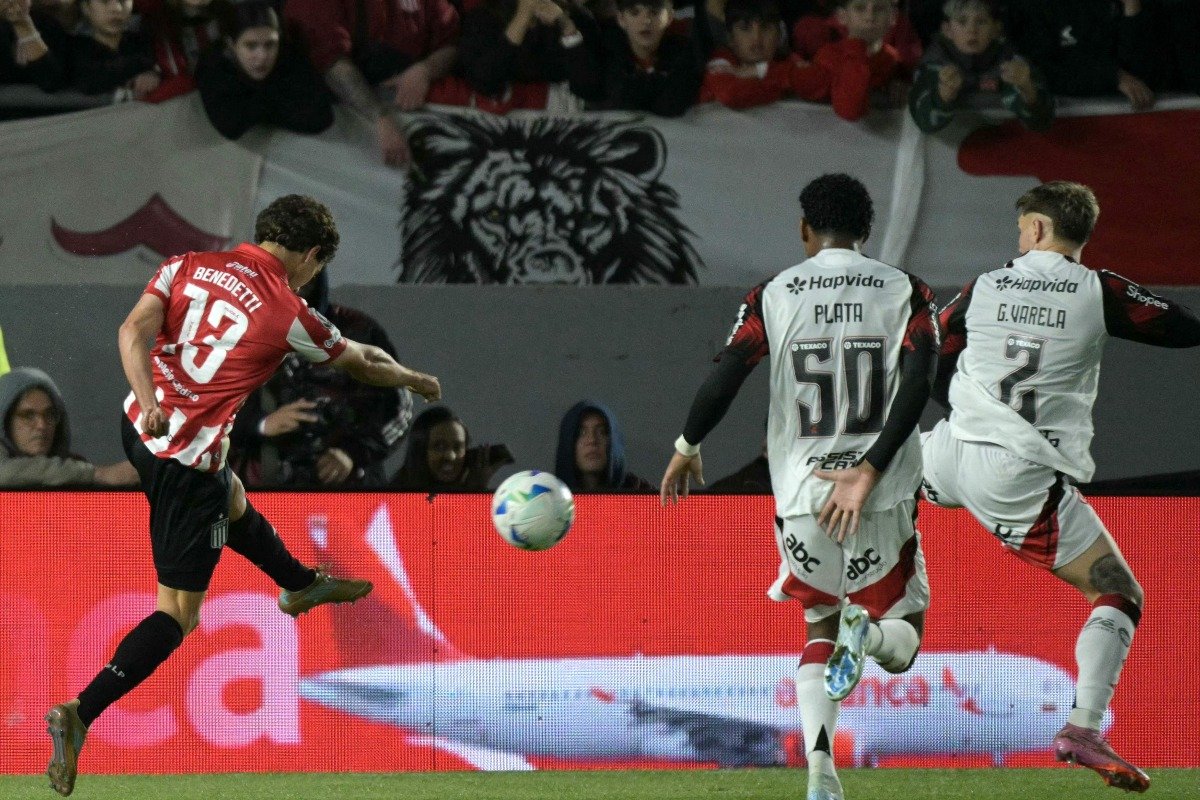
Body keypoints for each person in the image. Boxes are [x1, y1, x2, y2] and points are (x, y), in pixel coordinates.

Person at [43, 194, 442, 797]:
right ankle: (80, 712)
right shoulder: (288, 310)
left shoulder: (185, 264)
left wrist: (151, 403)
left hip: (138, 425)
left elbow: (131, 331)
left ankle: (299, 582)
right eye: (314, 267)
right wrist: (411, 377)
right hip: (184, 466)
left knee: (230, 493)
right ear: (309, 256)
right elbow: (361, 361)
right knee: (179, 613)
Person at [660, 174, 938, 800]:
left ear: (804, 228)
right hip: (880, 491)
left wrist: (687, 446)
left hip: (804, 493)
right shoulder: (907, 291)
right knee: (906, 626)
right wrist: (868, 469)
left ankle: (821, 774)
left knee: (819, 621)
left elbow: (727, 372)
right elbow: (920, 384)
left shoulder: (775, 294)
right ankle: (867, 636)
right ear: (866, 231)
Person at [922, 181, 1200, 794]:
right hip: (1015, 475)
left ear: (1040, 230)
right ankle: (1082, 727)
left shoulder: (984, 285)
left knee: (890, 480)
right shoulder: (1099, 291)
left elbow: (930, 350)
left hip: (948, 449)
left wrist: (967, 409)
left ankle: (862, 597)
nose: (1018, 239)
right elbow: (1182, 328)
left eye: (1023, 228)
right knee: (1120, 593)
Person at [228, 268, 411, 488]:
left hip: (352, 491)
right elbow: (205, 408)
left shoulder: (360, 332)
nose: (296, 279)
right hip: (269, 490)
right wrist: (260, 424)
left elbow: (399, 409)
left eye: (305, 264)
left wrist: (353, 453)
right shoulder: (240, 335)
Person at [284, 0, 460, 166]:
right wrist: (380, 118)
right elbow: (330, 62)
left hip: (420, 132)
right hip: (340, 146)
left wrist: (425, 70)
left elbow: (453, 41)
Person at [908, 0, 1053, 133]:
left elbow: (1042, 123)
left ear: (996, 29)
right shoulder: (933, 65)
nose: (972, 30)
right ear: (947, 30)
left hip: (1004, 150)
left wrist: (1027, 89)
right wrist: (943, 95)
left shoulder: (1011, 63)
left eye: (981, 22)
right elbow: (924, 123)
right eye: (962, 21)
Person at [195, 0, 334, 139]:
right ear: (231, 44)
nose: (262, 57)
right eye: (251, 46)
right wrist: (279, 101)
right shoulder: (213, 66)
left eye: (270, 45)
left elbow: (322, 117)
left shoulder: (288, 55)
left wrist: (259, 107)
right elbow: (231, 125)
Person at [0, 367, 139, 487]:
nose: (41, 425)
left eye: (49, 415)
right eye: (28, 415)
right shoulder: (83, 473)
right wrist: (98, 474)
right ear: (5, 421)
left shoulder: (74, 469)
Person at [1005, 0, 1156, 111]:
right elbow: (1045, 72)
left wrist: (1132, 9)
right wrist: (1112, 76)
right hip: (1066, 131)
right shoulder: (1031, 8)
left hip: (1130, 124)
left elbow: (1143, 78)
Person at [565, 0, 703, 117]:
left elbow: (671, 105)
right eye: (635, 13)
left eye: (654, 13)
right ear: (621, 19)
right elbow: (610, 94)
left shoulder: (684, 52)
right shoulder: (607, 50)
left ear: (670, 17)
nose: (646, 21)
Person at [700, 0, 828, 109]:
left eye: (766, 28)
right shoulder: (721, 59)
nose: (757, 39)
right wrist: (786, 85)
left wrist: (761, 70)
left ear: (778, 36)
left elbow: (821, 82)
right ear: (731, 39)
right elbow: (730, 94)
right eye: (745, 28)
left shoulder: (788, 60)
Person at [810, 0, 906, 120]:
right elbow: (849, 109)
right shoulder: (827, 56)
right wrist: (856, 45)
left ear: (893, 17)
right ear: (842, 16)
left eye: (879, 8)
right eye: (860, 8)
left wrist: (900, 86)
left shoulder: (894, 58)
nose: (870, 16)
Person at [390, 405, 514, 492]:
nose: (451, 456)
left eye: (458, 447)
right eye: (439, 447)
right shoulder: (393, 498)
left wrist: (475, 492)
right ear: (420, 451)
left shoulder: (469, 490)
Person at [556, 399, 654, 492]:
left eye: (602, 432)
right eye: (581, 433)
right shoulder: (549, 500)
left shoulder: (644, 499)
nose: (592, 440)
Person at [68, 0, 159, 100]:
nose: (116, 8)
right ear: (86, 8)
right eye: (104, 1)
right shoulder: (75, 49)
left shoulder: (144, 42)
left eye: (123, 1)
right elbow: (89, 80)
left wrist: (152, 73)